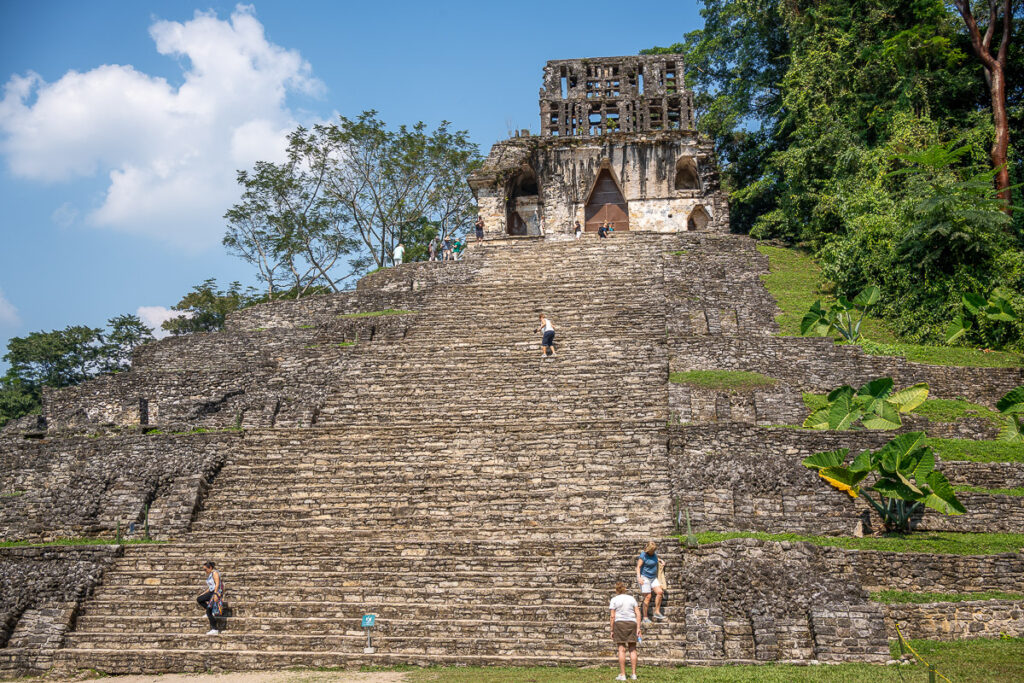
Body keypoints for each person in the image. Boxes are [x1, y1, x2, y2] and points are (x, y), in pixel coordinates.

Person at [610, 581, 641, 681]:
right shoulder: (631, 598)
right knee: (632, 648)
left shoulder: (614, 599)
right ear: (625, 589)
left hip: (619, 624)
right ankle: (634, 674)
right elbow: (638, 613)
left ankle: (623, 675)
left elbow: (612, 616)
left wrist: (611, 629)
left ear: (616, 590)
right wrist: (639, 628)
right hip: (632, 623)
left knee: (621, 649)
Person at [636, 542, 666, 624]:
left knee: (660, 592)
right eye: (652, 551)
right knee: (648, 596)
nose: (653, 552)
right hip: (644, 577)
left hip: (653, 578)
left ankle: (657, 612)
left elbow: (656, 558)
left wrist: (661, 560)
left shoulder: (654, 554)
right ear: (649, 550)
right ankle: (645, 617)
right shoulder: (643, 555)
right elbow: (638, 567)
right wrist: (639, 578)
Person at [197, 561, 224, 635]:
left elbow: (217, 584)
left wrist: (215, 594)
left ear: (210, 568)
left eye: (205, 569)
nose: (205, 571)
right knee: (199, 599)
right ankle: (212, 611)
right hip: (212, 591)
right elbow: (210, 587)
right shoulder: (210, 575)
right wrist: (203, 594)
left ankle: (214, 629)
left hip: (216, 592)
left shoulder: (215, 573)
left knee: (208, 610)